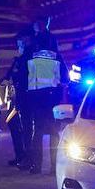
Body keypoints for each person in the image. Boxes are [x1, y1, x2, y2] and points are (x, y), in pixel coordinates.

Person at [21, 21, 66, 174]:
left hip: (35, 98)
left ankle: (36, 166)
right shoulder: (56, 56)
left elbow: (22, 77)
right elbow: (65, 78)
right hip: (52, 99)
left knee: (38, 132)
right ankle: (54, 167)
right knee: (54, 132)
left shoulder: (29, 55)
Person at [2, 29, 32, 167]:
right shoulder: (18, 60)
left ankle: (27, 158)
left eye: (22, 42)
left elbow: (23, 78)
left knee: (26, 128)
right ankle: (20, 155)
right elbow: (8, 76)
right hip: (14, 98)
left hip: (25, 98)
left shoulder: (29, 59)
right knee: (14, 125)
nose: (19, 45)